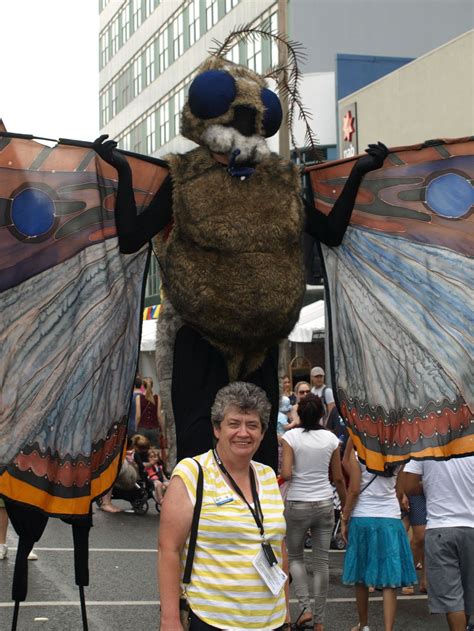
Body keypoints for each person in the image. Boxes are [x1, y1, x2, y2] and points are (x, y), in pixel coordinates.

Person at [158, 382, 288, 631]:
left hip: (271, 621)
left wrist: (287, 613)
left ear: (262, 433)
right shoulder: (192, 473)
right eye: (234, 423)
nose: (243, 432)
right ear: (217, 428)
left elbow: (279, 547)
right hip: (213, 620)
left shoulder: (268, 476)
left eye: (252, 425)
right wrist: (170, 620)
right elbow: (168, 549)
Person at [280, 393, 346, 631]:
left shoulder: (290, 437)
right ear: (321, 414)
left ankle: (305, 608)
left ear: (300, 413)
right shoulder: (330, 439)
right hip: (324, 502)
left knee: (295, 557)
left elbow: (286, 473)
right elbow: (337, 477)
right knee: (321, 562)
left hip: (297, 502)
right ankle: (319, 620)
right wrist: (346, 507)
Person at [341, 439, 417, 631]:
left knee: (360, 575)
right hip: (390, 518)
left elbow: (355, 488)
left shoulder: (361, 454)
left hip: (363, 517)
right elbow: (399, 492)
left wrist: (344, 517)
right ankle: (388, 628)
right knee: (390, 578)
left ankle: (364, 624)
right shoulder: (398, 455)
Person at [402, 455, 474, 631]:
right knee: (467, 595)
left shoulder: (426, 444)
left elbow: (408, 485)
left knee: (452, 599)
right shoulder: (470, 443)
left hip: (440, 528)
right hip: (471, 527)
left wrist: (430, 484)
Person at [136, 377, 164, 448]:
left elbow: (138, 416)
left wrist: (136, 427)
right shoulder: (157, 397)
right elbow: (159, 416)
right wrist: (162, 430)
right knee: (154, 452)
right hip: (155, 429)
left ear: (142, 385)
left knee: (141, 451)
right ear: (152, 385)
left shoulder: (139, 398)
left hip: (142, 429)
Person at [127, 374, 143, 438]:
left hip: (130, 425)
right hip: (143, 426)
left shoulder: (129, 397)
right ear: (141, 385)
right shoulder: (145, 397)